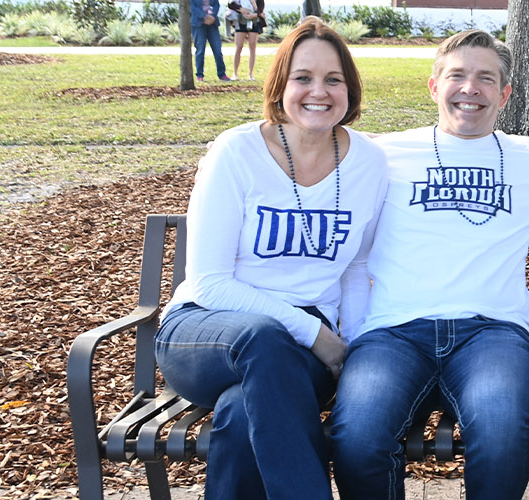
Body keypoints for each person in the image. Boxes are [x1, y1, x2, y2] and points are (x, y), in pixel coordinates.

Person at [154, 18, 385, 500]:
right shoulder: (235, 152)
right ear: (281, 85)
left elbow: (358, 269)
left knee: (242, 414)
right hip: (207, 331)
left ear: (350, 89)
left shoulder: (369, 162)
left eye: (333, 79)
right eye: (303, 78)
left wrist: (354, 348)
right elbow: (211, 283)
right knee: (263, 338)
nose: (317, 91)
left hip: (300, 354)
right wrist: (319, 336)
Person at [328, 29, 529, 500]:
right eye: (457, 75)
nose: (470, 89)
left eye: (485, 79)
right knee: (357, 435)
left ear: (505, 93)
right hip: (394, 333)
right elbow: (296, 154)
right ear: (434, 86)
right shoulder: (379, 154)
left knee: (500, 431)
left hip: (490, 334)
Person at [191, 0, 232, 82]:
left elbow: (216, 4)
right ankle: (199, 75)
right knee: (200, 51)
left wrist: (212, 16)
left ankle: (222, 74)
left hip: (213, 24)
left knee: (218, 50)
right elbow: (191, 7)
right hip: (198, 25)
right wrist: (204, 16)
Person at [228, 0, 265, 81]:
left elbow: (261, 8)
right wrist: (241, 9)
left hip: (254, 21)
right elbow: (231, 5)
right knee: (239, 47)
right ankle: (235, 73)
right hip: (240, 19)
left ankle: (250, 74)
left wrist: (255, 14)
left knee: (252, 46)